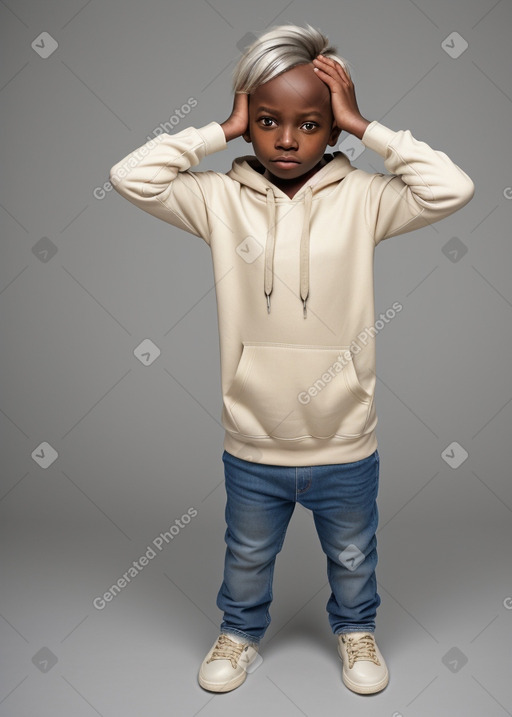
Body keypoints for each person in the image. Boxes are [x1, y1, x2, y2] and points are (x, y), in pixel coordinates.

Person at [109, 23, 474, 695]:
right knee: (246, 556)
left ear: (331, 129)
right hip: (254, 438)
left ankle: (356, 631)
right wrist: (217, 129)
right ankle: (240, 633)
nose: (286, 138)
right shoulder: (217, 200)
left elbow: (452, 188)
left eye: (310, 123)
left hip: (345, 437)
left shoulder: (366, 200)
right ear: (250, 123)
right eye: (268, 120)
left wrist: (368, 126)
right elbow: (128, 176)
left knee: (352, 556)